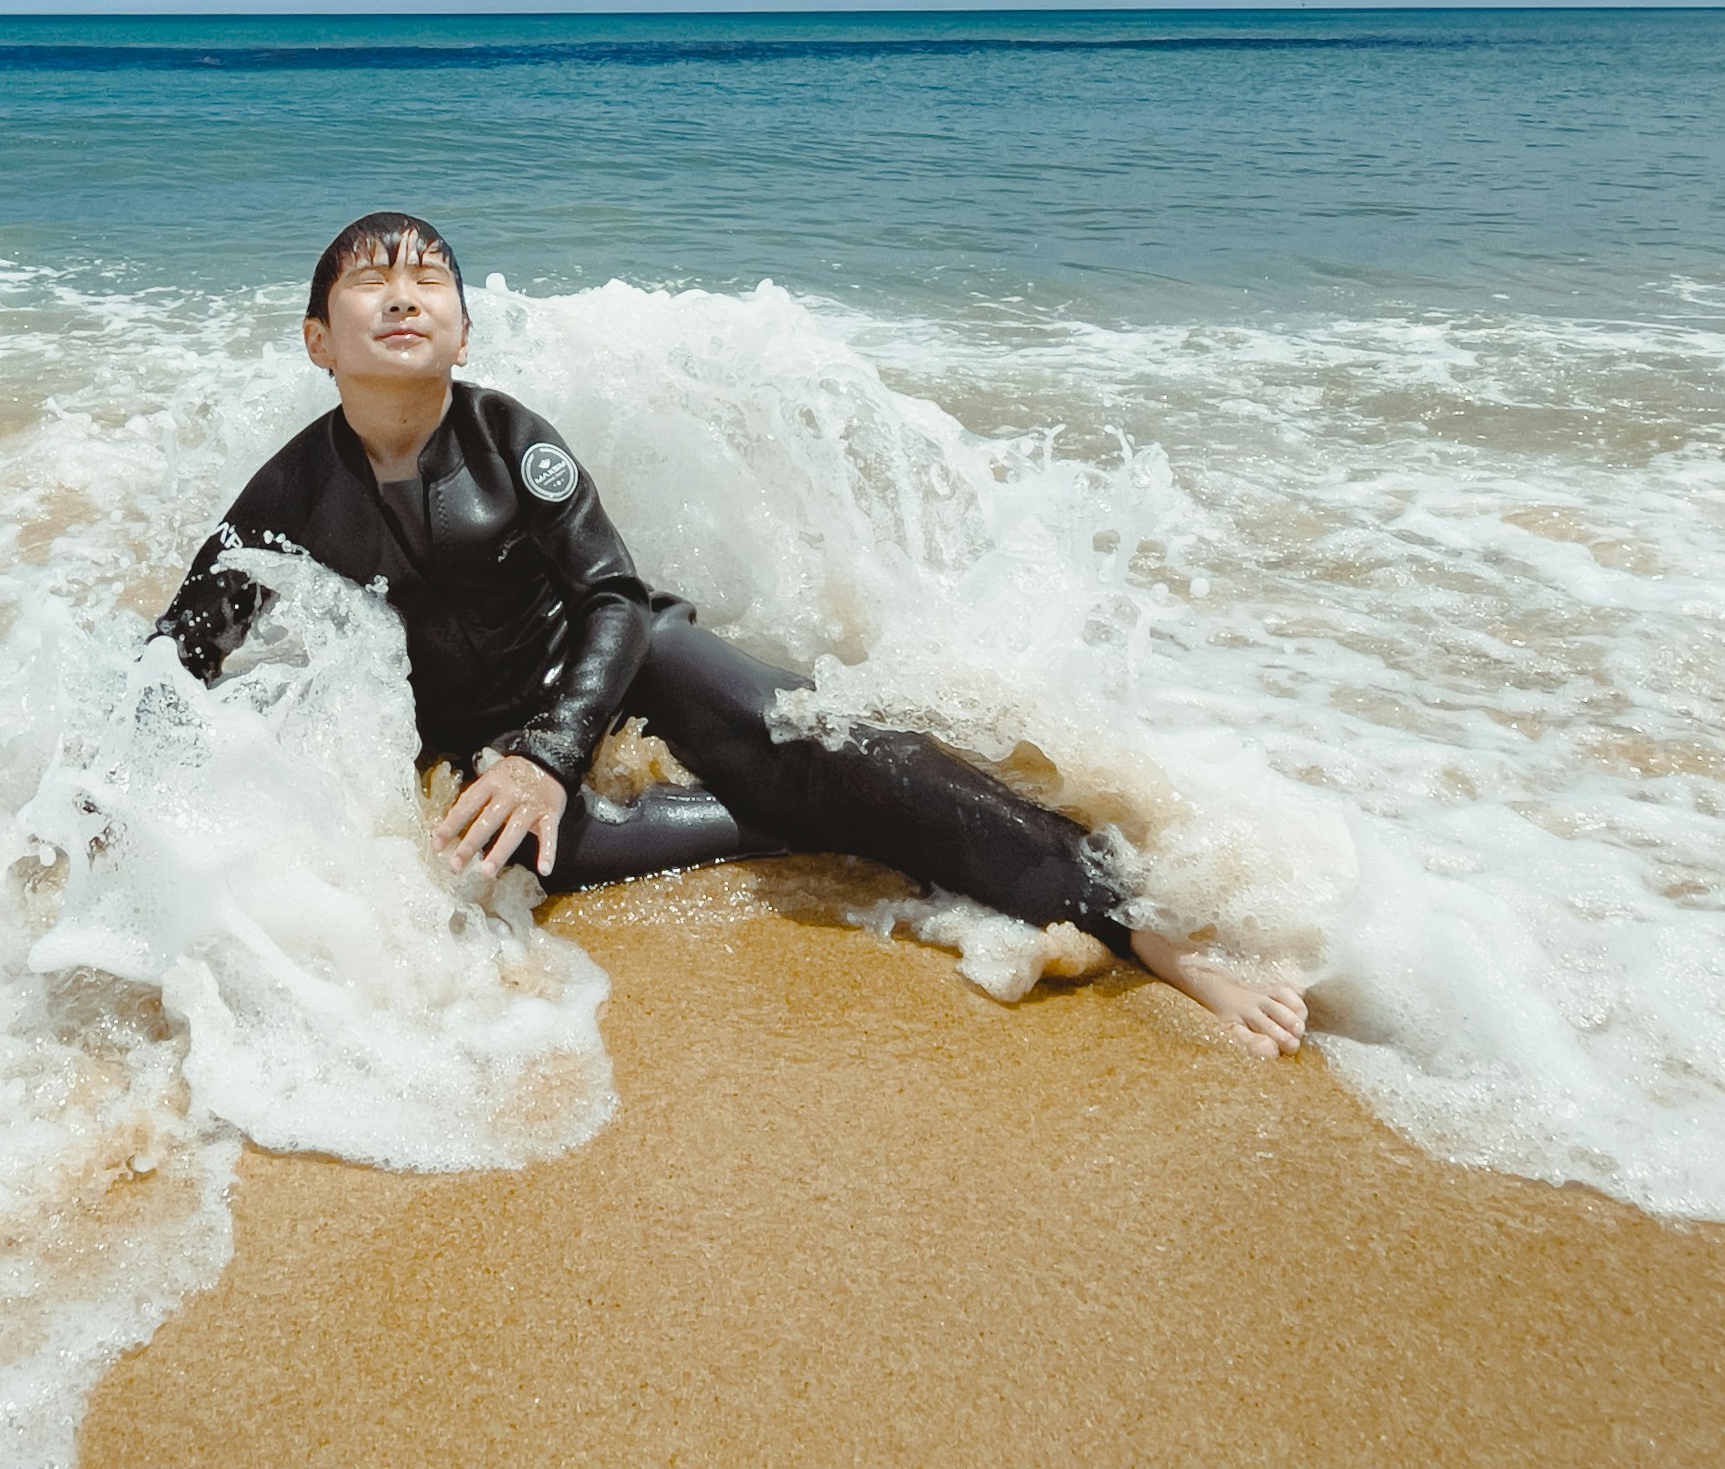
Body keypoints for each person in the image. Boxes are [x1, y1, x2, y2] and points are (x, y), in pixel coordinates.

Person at [152, 211, 1310, 1057]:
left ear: (463, 330)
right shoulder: (289, 497)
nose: (402, 295)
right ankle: (785, 822)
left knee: (828, 742)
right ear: (318, 339)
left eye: (428, 280)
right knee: (501, 855)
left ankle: (1138, 922)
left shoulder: (513, 443)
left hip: (622, 659)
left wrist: (550, 752)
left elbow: (612, 594)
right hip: (479, 728)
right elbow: (174, 657)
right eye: (368, 281)